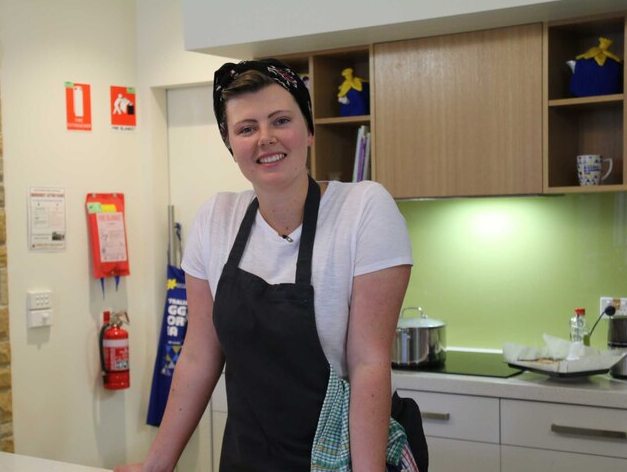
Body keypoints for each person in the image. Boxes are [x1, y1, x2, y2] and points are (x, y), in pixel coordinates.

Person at [117, 59, 413, 472]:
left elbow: (368, 362)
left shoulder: (362, 209)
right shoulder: (216, 219)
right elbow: (200, 357)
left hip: (338, 460)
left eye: (280, 120)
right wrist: (156, 467)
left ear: (308, 130)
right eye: (246, 128)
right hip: (245, 459)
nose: (265, 138)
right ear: (231, 143)